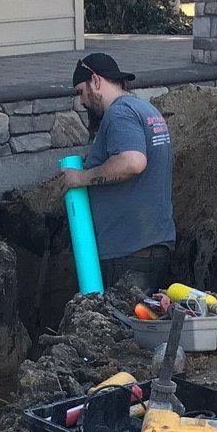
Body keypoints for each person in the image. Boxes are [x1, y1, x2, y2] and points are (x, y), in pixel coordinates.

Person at [62, 51, 175, 293]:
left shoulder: (119, 113)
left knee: (117, 328)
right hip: (151, 246)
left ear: (95, 80)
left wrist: (81, 178)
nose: (81, 102)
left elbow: (132, 162)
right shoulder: (146, 110)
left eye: (81, 91)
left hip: (127, 254)